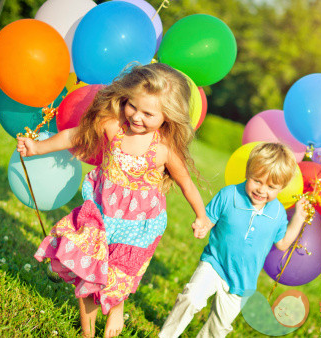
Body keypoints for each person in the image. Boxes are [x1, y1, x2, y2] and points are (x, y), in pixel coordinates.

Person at [17, 63, 210, 338]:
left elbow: (186, 183)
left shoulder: (164, 151)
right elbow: (75, 136)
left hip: (138, 228)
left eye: (148, 113)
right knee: (88, 271)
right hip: (100, 215)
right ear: (124, 99)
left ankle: (117, 304)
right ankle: (88, 333)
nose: (137, 117)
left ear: (167, 116)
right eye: (133, 106)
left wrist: (201, 216)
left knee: (117, 280)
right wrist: (37, 147)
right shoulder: (112, 126)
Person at [159, 142, 309, 338]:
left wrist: (298, 218)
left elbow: (281, 243)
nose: (262, 190)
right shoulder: (229, 195)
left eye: (271, 186)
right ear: (248, 172)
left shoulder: (278, 213)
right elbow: (208, 219)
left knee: (219, 327)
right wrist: (202, 225)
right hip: (215, 264)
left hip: (243, 281)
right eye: (257, 181)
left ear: (282, 187)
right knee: (191, 298)